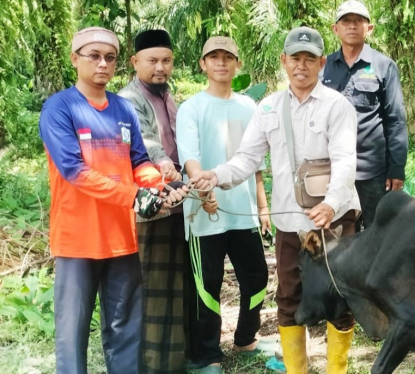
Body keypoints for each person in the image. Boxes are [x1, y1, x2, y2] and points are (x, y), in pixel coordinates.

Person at [189, 27, 361, 374]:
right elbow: (246, 159)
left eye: (309, 58)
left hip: (335, 219)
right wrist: (215, 176)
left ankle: (337, 370)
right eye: (295, 58)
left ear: (321, 63)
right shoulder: (268, 108)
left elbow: (345, 160)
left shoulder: (337, 105)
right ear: (284, 61)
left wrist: (330, 203)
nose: (301, 65)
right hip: (289, 224)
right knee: (288, 298)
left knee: (340, 297)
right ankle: (297, 370)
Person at [38, 27, 186, 374]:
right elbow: (74, 172)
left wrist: (160, 186)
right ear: (75, 59)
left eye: (110, 57)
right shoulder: (59, 108)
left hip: (122, 242)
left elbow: (138, 163)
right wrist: (136, 196)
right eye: (94, 56)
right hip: (77, 242)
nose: (103, 64)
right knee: (72, 337)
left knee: (125, 333)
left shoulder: (122, 108)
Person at [175, 36, 272, 374]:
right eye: (213, 57)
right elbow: (190, 157)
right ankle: (207, 355)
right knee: (208, 285)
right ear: (203, 64)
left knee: (257, 277)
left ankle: (246, 338)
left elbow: (254, 162)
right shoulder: (192, 108)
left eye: (227, 57)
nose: (221, 63)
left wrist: (263, 206)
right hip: (204, 215)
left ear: (237, 64)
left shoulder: (248, 107)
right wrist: (203, 191)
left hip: (242, 212)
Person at [118, 29, 188, 374]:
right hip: (150, 207)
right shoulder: (129, 99)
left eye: (166, 61)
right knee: (151, 289)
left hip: (175, 204)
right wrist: (173, 173)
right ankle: (147, 365)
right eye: (153, 61)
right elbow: (147, 147)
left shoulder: (168, 96)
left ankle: (172, 361)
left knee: (175, 287)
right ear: (135, 62)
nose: (160, 67)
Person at [322, 0, 408, 230]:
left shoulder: (383, 66)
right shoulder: (323, 67)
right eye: (346, 21)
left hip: (372, 170)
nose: (352, 26)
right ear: (335, 28)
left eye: (358, 21)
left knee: (377, 232)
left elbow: (395, 120)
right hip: (333, 169)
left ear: (369, 29)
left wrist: (396, 168)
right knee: (338, 234)